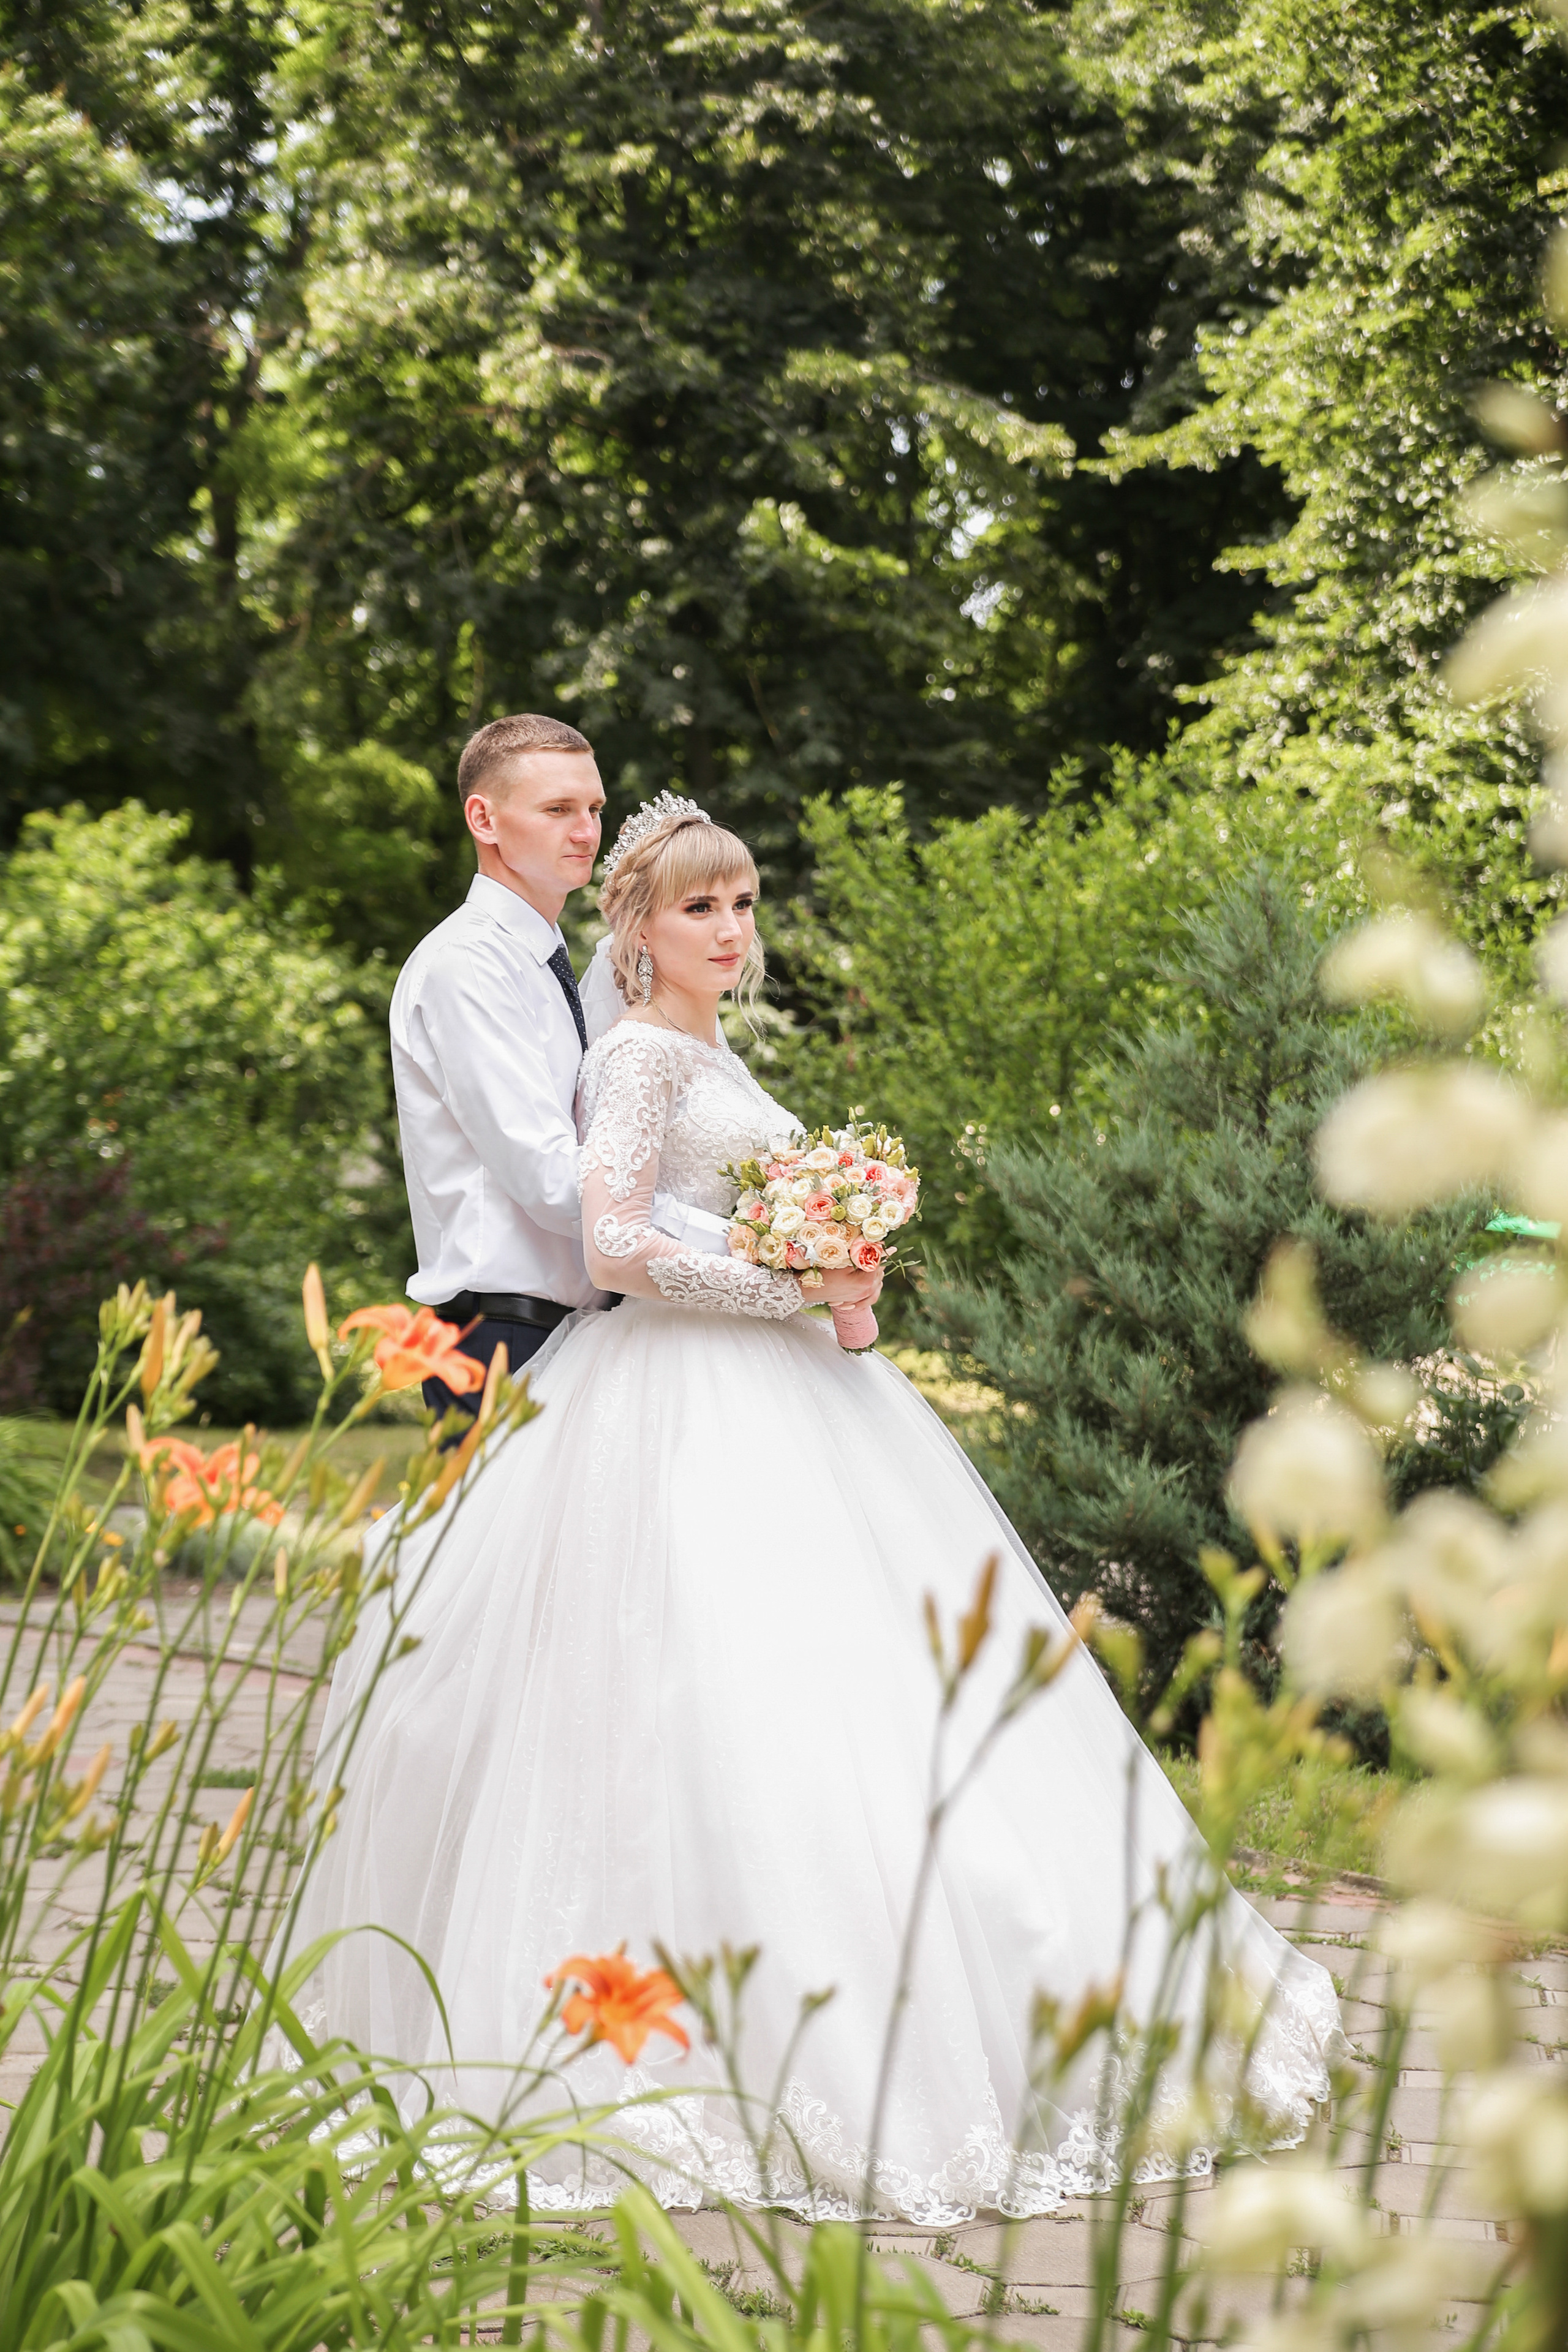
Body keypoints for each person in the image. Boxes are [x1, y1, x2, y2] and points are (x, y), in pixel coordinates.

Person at [285, 796, 1341, 2225]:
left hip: (795, 1396)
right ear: (636, 927)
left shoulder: (714, 1043)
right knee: (716, 1689)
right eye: (697, 909)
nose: (728, 931)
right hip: (670, 1408)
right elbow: (610, 1245)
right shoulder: (642, 1056)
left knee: (887, 1682)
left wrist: (830, 1266)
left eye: (740, 905)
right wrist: (790, 1281)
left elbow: (704, 1217)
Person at [389, 712, 611, 1422]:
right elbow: (549, 1179)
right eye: (558, 810)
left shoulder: (543, 957)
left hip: (576, 1338)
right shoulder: (467, 966)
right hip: (500, 1345)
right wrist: (724, 1237)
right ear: (483, 819)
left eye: (594, 809)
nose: (586, 832)